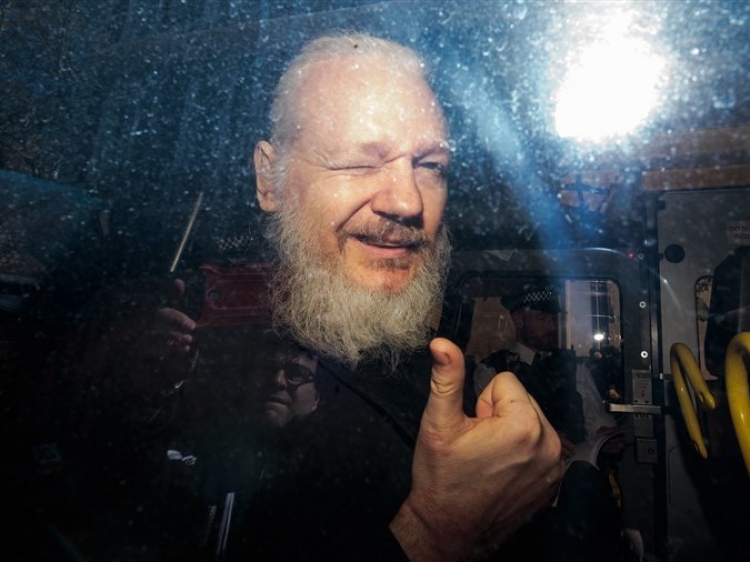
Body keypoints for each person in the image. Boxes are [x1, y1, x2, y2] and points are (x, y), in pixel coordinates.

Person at [50, 32, 564, 561]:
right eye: (358, 163)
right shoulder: (159, 356)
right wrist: (435, 532)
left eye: (431, 166)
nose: (408, 201)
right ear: (269, 179)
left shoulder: (430, 369)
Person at [474, 280, 621, 460]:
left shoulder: (573, 367)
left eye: (553, 319)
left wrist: (606, 438)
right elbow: (492, 436)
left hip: (574, 469)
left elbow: (597, 422)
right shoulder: (493, 369)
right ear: (518, 320)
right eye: (543, 318)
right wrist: (538, 442)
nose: (552, 327)